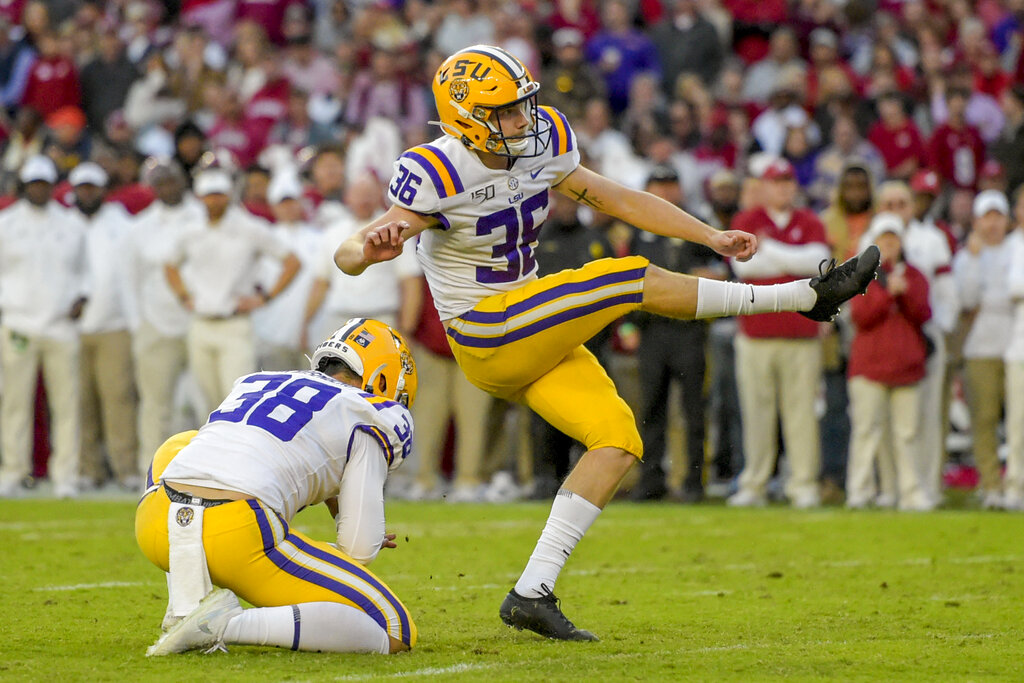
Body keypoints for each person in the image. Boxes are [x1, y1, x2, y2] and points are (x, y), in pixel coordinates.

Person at [334, 45, 879, 641]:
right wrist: (367, 251)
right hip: (485, 330)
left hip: (535, 324)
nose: (523, 119)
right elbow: (351, 250)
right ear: (466, 116)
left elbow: (618, 198)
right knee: (620, 277)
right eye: (506, 111)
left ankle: (532, 591)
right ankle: (805, 296)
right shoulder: (435, 169)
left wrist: (707, 234)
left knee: (618, 443)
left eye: (523, 104)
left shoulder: (543, 140)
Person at [137, 319, 418, 656]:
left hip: (156, 526)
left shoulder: (259, 381)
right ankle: (222, 625)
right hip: (234, 533)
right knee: (394, 627)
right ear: (383, 379)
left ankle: (184, 602)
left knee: (183, 442)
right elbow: (358, 550)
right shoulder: (368, 410)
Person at [163, 166, 301, 414]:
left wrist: (264, 298)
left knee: (237, 402)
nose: (214, 200)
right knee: (206, 402)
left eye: (218, 194)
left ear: (228, 195)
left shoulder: (249, 228)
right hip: (201, 322)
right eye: (209, 194)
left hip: (235, 324)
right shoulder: (191, 231)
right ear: (200, 197)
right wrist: (184, 296)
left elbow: (292, 262)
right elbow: (170, 266)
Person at [0, 155, 88, 498]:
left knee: (66, 405)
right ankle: (13, 471)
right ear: (24, 186)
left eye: (44, 182)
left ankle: (65, 475)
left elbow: (85, 273)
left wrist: (83, 297)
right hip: (18, 323)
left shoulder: (71, 225)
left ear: (52, 186)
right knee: (14, 403)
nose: (38, 188)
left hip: (61, 326)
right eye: (33, 182)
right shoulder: (6, 224)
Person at [846, 213, 933, 510]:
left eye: (894, 239)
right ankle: (860, 491)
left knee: (907, 435)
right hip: (870, 366)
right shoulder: (861, 276)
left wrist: (903, 293)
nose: (889, 244)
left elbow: (922, 313)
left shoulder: (915, 276)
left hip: (906, 367)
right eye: (884, 239)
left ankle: (911, 492)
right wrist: (886, 294)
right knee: (866, 432)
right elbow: (860, 316)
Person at [69, 162, 140, 491]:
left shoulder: (121, 223)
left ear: (102, 190)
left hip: (115, 324)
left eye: (92, 188)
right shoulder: (63, 223)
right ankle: (87, 468)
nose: (87, 193)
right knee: (80, 401)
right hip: (71, 327)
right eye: (82, 188)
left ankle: (125, 467)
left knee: (119, 399)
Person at [128, 161, 203, 471]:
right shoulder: (140, 227)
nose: (167, 187)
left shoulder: (203, 217)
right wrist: (138, 324)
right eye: (161, 182)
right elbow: (130, 279)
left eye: (172, 180)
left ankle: (209, 473)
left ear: (183, 182)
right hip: (155, 324)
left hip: (200, 322)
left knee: (206, 402)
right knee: (155, 405)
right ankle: (152, 473)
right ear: (153, 186)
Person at [952, 190, 1014, 509]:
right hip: (980, 346)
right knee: (984, 420)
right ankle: (991, 485)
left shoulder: (1017, 250)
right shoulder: (966, 258)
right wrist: (974, 260)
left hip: (1015, 343)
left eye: (997, 216)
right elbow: (966, 299)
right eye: (986, 217)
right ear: (976, 221)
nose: (992, 224)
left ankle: (1015, 483)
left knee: (1017, 420)